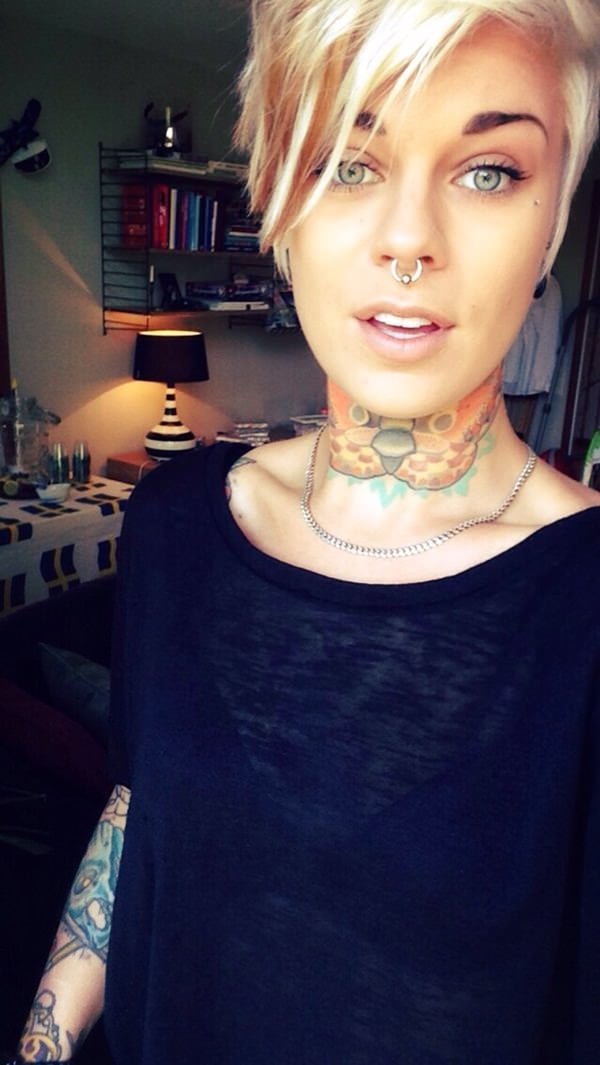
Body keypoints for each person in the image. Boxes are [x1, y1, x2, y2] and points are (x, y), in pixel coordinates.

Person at [11, 0, 600, 1062]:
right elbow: (141, 810)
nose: (409, 239)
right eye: (346, 163)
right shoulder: (176, 525)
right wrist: (40, 1042)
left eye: (488, 171)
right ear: (280, 208)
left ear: (553, 218)